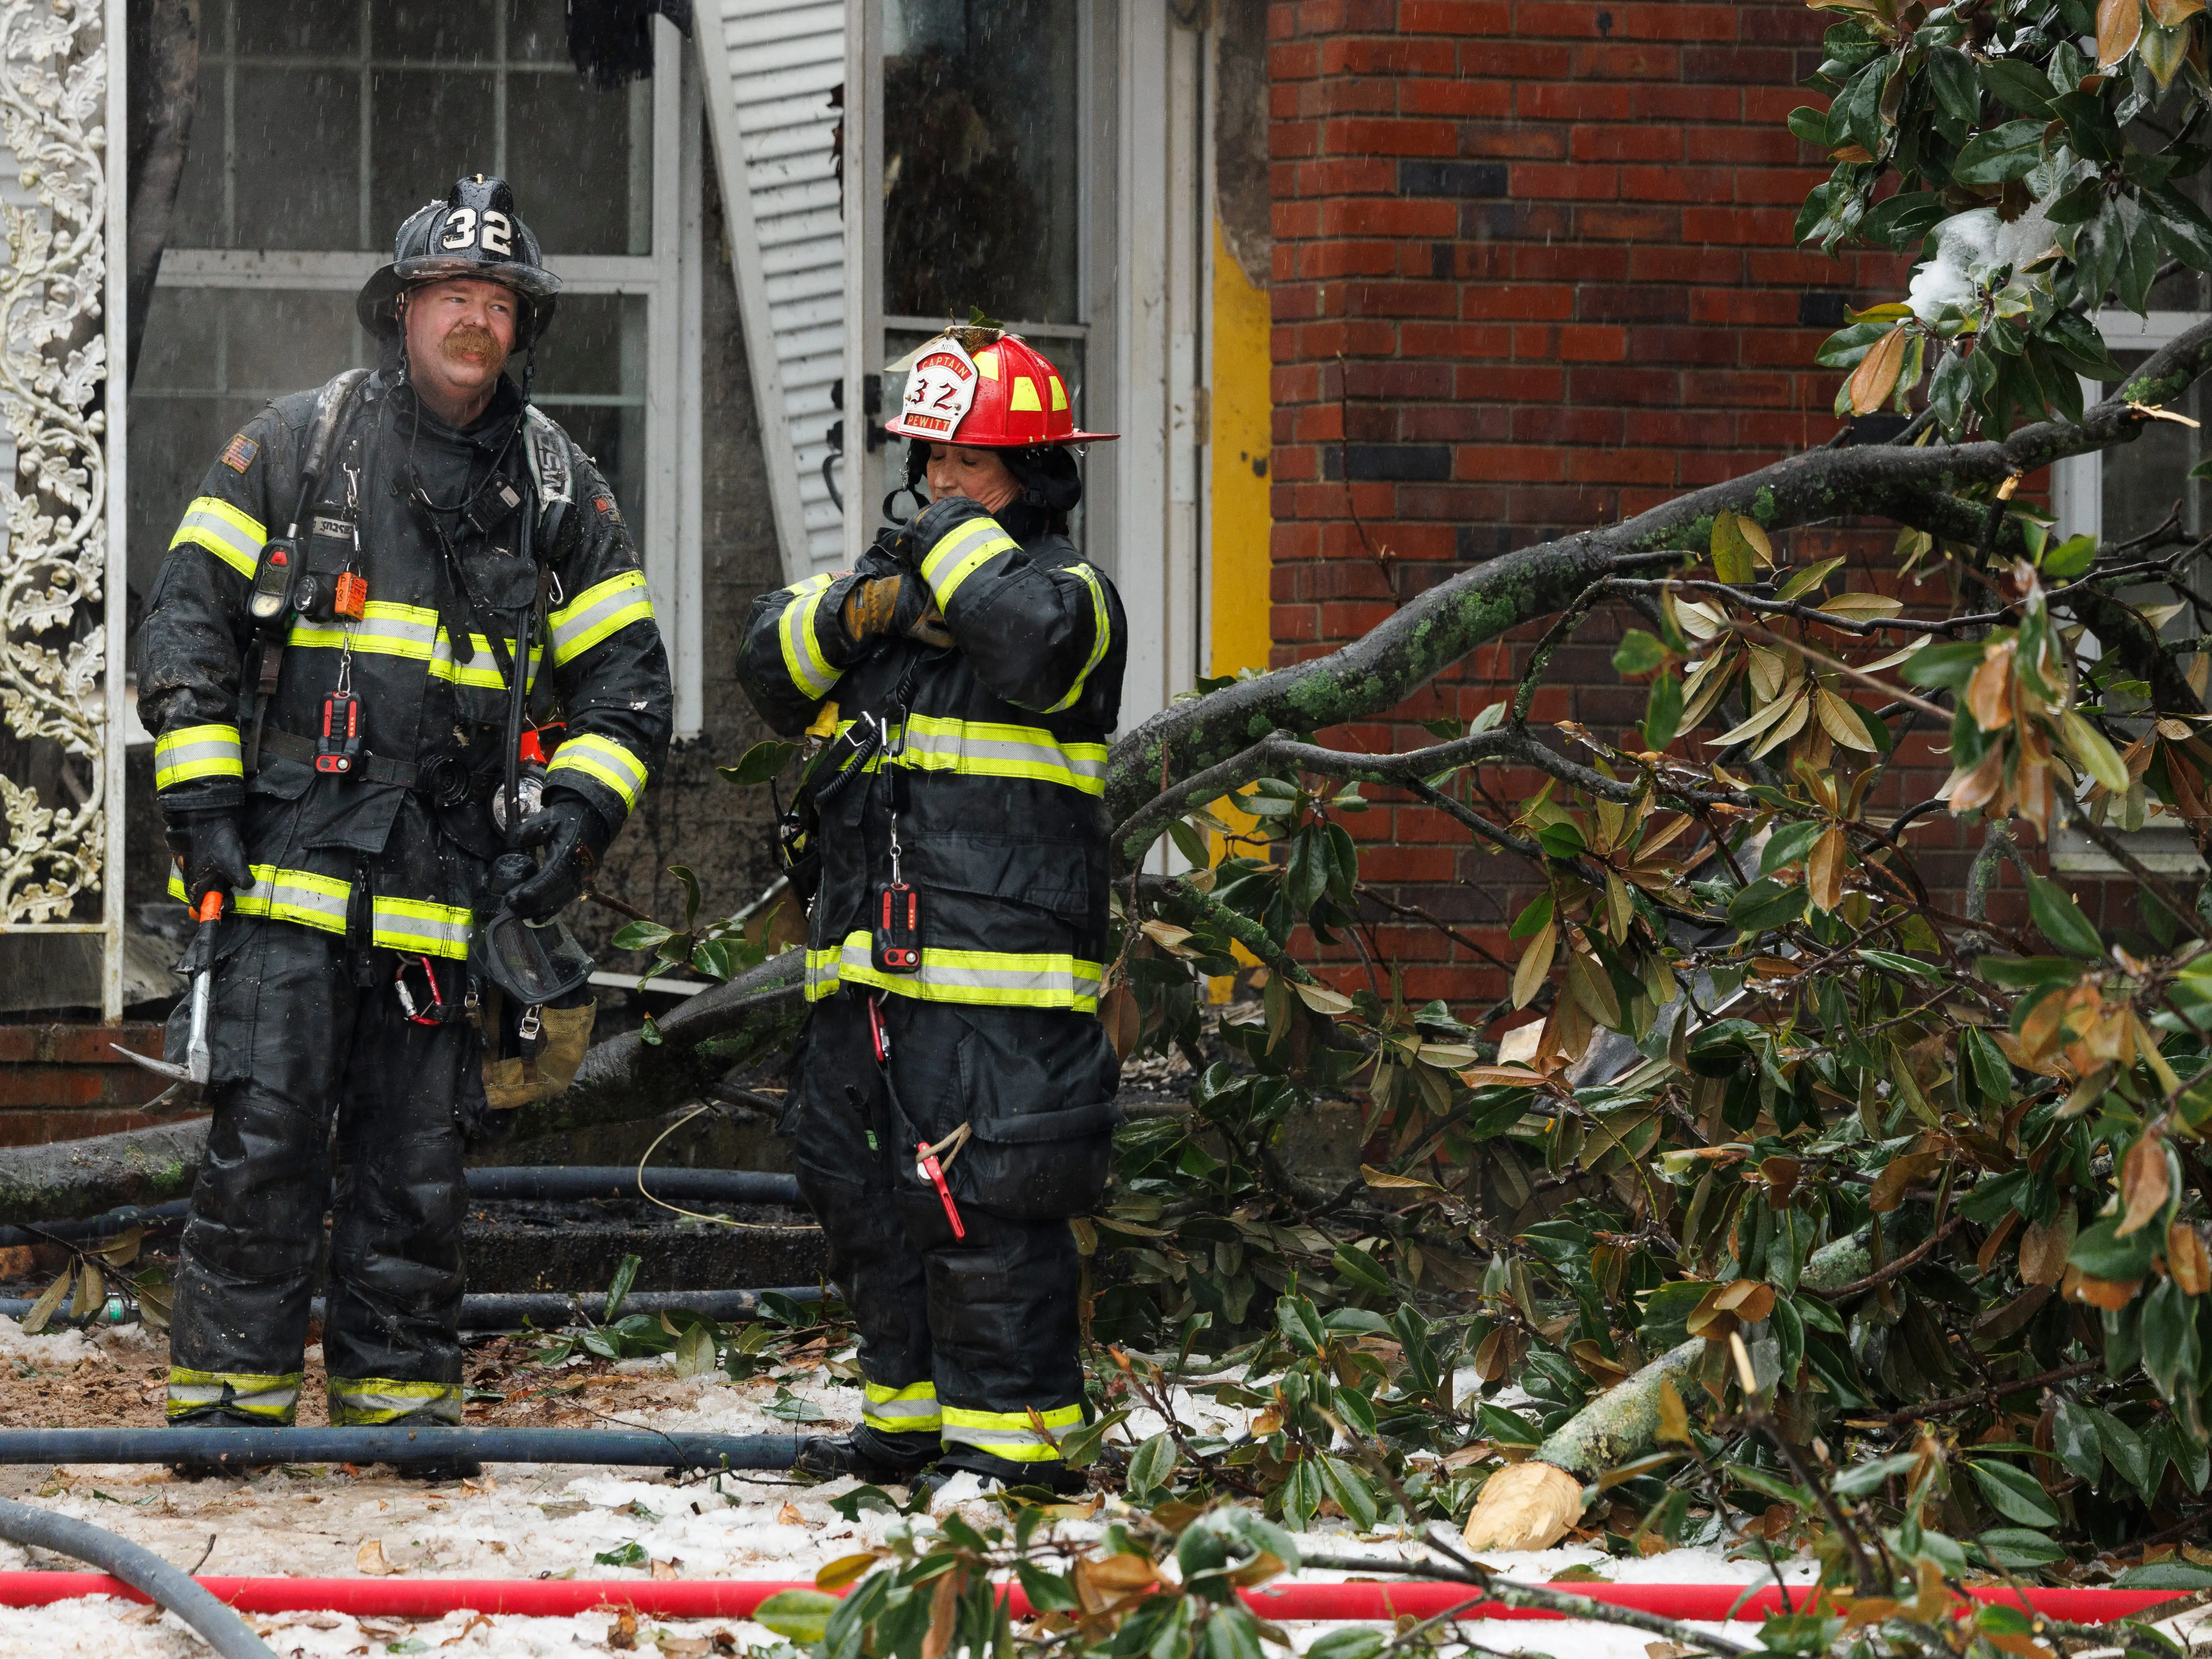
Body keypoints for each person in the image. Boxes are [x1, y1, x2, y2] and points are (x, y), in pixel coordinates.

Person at [139, 175, 672, 1462]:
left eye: (495, 303)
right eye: (451, 297)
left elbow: (630, 684)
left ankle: (399, 1420)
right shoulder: (300, 442)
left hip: (445, 892)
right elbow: (186, 623)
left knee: (414, 1171)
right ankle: (229, 1418)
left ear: (518, 328)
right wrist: (205, 802)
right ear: (404, 311)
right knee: (262, 1149)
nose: (473, 322)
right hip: (285, 875)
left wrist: (578, 818)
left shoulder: (558, 488)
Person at [738, 328, 1127, 1493]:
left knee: (990, 1223)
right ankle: (904, 1435)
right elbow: (770, 661)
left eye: (974, 467)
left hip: (998, 1004)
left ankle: (1014, 1467)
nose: (943, 488)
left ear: (1039, 476)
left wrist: (949, 556)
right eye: (933, 463)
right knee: (867, 1207)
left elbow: (1031, 645)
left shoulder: (1072, 599)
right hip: (869, 987)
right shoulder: (894, 593)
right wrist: (865, 610)